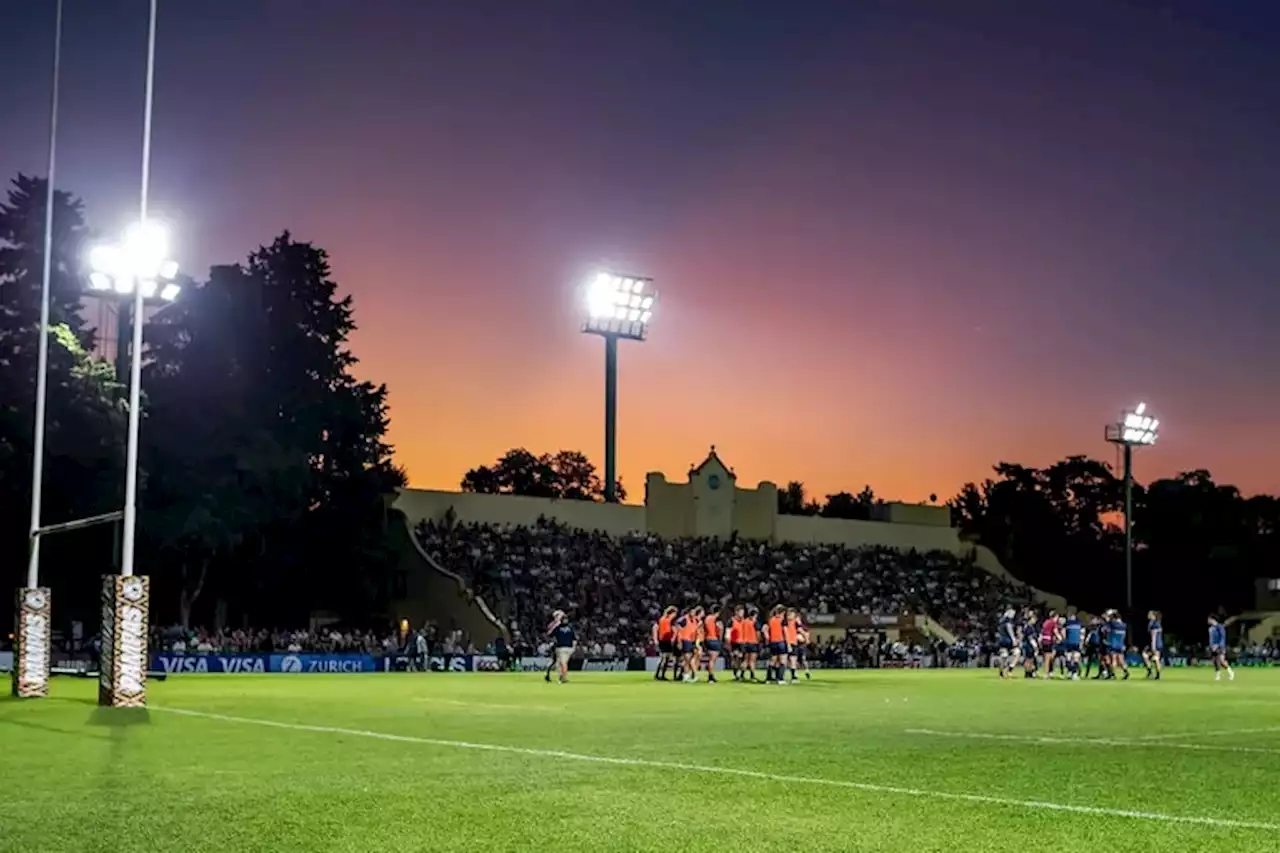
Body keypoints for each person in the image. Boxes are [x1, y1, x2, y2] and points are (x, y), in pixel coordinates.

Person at [545, 610, 575, 684]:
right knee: (556, 662)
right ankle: (555, 675)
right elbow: (549, 633)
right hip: (556, 645)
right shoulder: (554, 624)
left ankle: (560, 676)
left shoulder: (563, 625)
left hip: (560, 646)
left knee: (558, 662)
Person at [652, 606, 677, 681]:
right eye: (674, 613)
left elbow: (655, 628)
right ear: (672, 613)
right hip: (667, 640)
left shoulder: (661, 619)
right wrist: (673, 639)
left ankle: (658, 674)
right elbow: (674, 630)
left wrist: (655, 639)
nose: (675, 615)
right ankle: (661, 675)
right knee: (666, 658)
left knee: (664, 657)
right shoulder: (670, 620)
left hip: (661, 640)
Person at [765, 605, 788, 684]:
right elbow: (785, 632)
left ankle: (768, 678)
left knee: (773, 661)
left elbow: (766, 630)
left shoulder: (771, 620)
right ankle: (780, 679)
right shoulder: (782, 620)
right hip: (781, 642)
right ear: (783, 612)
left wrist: (768, 639)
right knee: (783, 661)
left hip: (773, 642)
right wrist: (788, 644)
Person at [1208, 616, 1234, 681]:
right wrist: (1211, 646)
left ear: (1213, 620)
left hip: (1220, 647)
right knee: (1215, 661)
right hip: (1213, 647)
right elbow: (1211, 639)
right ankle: (1218, 675)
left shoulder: (1220, 627)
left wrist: (1219, 645)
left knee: (1221, 661)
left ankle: (1231, 672)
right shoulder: (1210, 629)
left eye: (1209, 620)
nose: (1208, 621)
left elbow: (1223, 637)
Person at [702, 607, 723, 684]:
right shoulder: (716, 619)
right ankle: (710, 677)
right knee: (712, 660)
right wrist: (720, 638)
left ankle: (710, 674)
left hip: (707, 639)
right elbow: (719, 628)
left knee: (710, 659)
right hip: (714, 639)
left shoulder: (707, 618)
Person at [1106, 610, 1129, 680]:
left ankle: (1112, 674)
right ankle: (1126, 671)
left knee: (1113, 659)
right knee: (1121, 660)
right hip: (1121, 644)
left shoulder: (1112, 623)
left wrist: (1109, 614)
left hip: (1113, 643)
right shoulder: (1124, 625)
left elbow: (1107, 621)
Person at [1061, 607, 1083, 680]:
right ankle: (1074, 673)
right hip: (1077, 642)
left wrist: (1064, 640)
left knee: (1068, 657)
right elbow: (1082, 633)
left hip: (1069, 642)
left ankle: (1071, 671)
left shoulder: (1067, 623)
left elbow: (1063, 632)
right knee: (1075, 657)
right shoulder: (1079, 623)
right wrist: (1081, 642)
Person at [740, 606, 761, 681]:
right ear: (755, 614)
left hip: (745, 643)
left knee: (745, 660)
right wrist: (759, 641)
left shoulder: (744, 621)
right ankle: (752, 676)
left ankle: (741, 675)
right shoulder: (755, 622)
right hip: (753, 642)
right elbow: (758, 633)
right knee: (752, 661)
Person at [996, 607, 1018, 678]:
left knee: (1005, 656)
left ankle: (1001, 673)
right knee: (1016, 653)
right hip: (1007, 641)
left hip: (1002, 641)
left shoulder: (1001, 621)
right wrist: (1014, 639)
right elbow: (1010, 631)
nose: (1013, 615)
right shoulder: (1008, 622)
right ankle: (1009, 669)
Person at [1039, 609, 1060, 679]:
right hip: (1048, 642)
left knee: (1049, 657)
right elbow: (1055, 632)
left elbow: (1042, 632)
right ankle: (1046, 673)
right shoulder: (1053, 623)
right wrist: (1060, 638)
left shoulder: (1046, 622)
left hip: (1044, 641)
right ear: (1055, 617)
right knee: (1048, 658)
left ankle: (1049, 671)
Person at [1142, 610, 1163, 680]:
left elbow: (1154, 636)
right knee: (1146, 656)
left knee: (1155, 658)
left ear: (1153, 615)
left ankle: (1156, 674)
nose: (1148, 615)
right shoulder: (1154, 623)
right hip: (1156, 643)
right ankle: (1152, 673)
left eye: (1149, 614)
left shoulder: (1155, 624)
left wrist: (1153, 647)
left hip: (1155, 644)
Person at [792, 610, 812, 680]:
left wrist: (806, 639)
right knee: (794, 659)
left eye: (797, 618)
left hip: (802, 645)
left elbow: (807, 632)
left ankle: (807, 671)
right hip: (795, 644)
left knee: (803, 659)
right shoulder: (793, 626)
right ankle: (795, 674)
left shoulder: (803, 627)